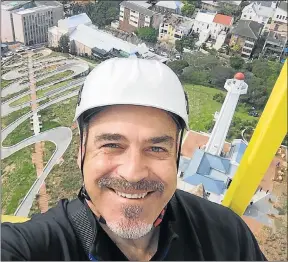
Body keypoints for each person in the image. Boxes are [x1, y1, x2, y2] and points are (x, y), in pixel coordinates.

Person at [1, 58, 267, 261]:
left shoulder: (225, 234)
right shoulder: (34, 247)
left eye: (156, 149)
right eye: (112, 145)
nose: (133, 173)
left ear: (176, 156)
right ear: (80, 152)